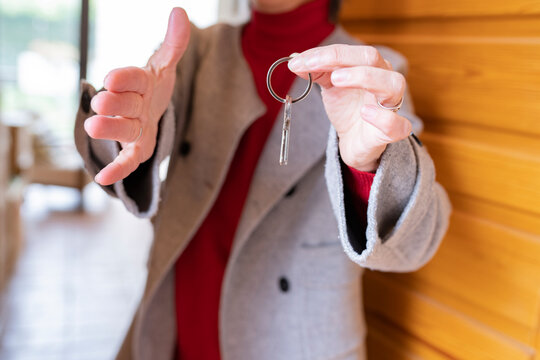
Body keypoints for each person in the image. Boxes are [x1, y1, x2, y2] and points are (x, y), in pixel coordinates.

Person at [74, 0, 451, 359]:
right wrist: (126, 131)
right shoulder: (196, 51)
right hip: (171, 332)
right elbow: (118, 138)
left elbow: (415, 243)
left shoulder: (372, 77)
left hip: (294, 344)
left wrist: (369, 165)